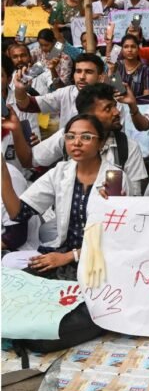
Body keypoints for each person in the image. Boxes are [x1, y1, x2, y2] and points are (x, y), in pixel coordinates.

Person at [1, 114, 131, 279]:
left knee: (94, 278)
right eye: (70, 137)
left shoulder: (113, 177)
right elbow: (18, 213)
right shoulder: (61, 171)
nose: (76, 142)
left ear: (101, 143)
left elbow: (113, 238)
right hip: (63, 251)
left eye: (86, 137)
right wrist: (3, 169)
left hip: (97, 256)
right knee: (10, 261)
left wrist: (68, 257)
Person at [14, 83, 147, 195]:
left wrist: (113, 198)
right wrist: (15, 129)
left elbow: (134, 198)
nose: (116, 112)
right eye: (108, 108)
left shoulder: (128, 148)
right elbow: (29, 160)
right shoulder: (67, 137)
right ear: (88, 116)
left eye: (114, 106)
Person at [13, 53, 108, 129]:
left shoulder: (110, 101)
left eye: (88, 72)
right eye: (78, 71)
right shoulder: (66, 93)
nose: (82, 77)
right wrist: (19, 89)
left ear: (100, 77)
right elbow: (27, 105)